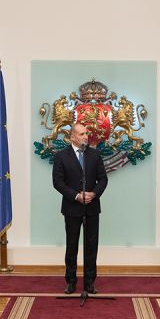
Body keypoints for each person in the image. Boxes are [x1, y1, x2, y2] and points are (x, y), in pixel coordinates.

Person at [52, 123, 108, 294]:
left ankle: (90, 282)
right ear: (72, 137)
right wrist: (76, 195)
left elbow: (103, 179)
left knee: (91, 246)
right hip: (71, 208)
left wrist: (94, 194)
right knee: (72, 246)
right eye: (82, 134)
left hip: (92, 207)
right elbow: (58, 182)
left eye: (86, 133)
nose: (86, 136)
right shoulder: (61, 156)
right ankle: (71, 281)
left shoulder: (95, 155)